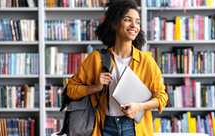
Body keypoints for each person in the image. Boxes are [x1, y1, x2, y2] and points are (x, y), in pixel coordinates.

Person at [67, 0, 168, 135]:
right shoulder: (96, 59)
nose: (134, 25)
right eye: (128, 20)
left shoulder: (147, 62)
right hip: (104, 126)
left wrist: (139, 107)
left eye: (137, 22)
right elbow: (71, 90)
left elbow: (162, 98)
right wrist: (95, 88)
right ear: (114, 24)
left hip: (133, 127)